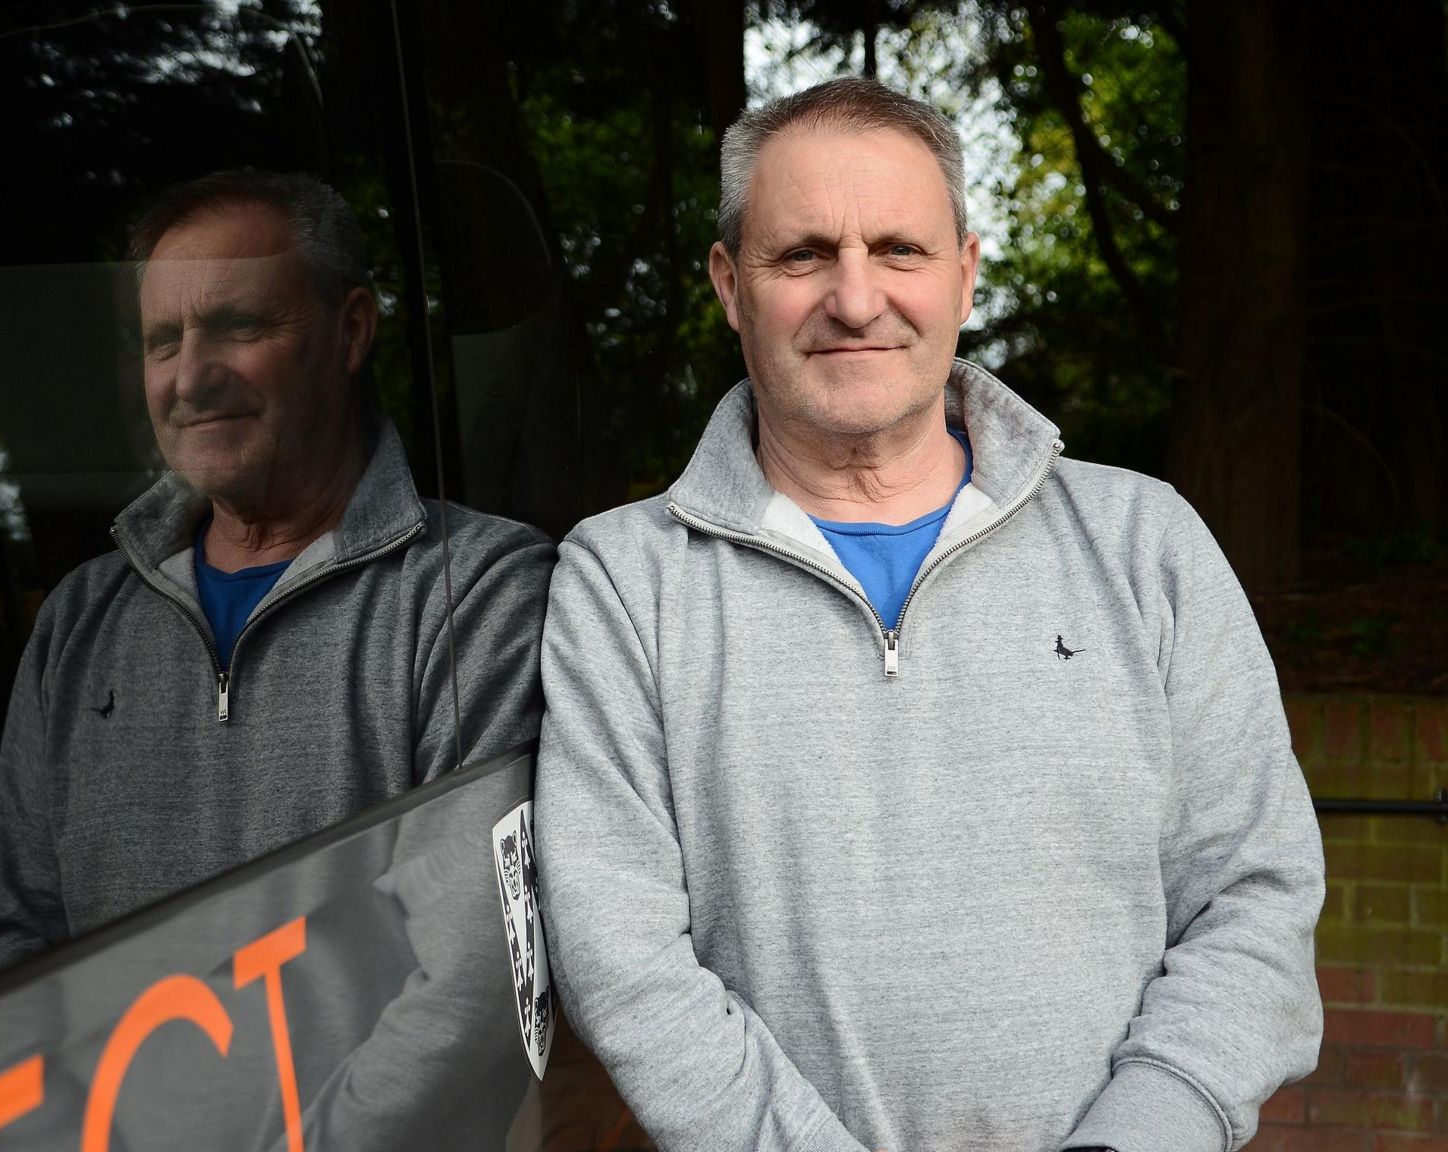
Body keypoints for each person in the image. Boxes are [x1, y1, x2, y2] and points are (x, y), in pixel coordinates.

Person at [534, 77, 1323, 1152]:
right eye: (801, 254)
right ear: (728, 284)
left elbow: (1255, 896)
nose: (854, 300)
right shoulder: (625, 583)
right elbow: (618, 957)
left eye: (898, 251)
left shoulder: (1145, 544)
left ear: (963, 274)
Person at [0, 169, 553, 973]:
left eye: (236, 327)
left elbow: (472, 970)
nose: (191, 376)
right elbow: (15, 943)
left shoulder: (476, 591)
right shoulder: (78, 623)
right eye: (162, 342)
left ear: (351, 331)